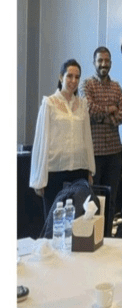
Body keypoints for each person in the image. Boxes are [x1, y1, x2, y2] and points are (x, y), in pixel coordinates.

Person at [30, 59, 95, 217]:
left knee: (78, 221)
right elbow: (41, 141)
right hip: (55, 172)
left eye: (77, 77)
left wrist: (90, 170)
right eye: (69, 76)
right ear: (61, 77)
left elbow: (87, 139)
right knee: (55, 223)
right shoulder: (49, 103)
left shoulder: (82, 104)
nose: (73, 81)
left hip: (79, 171)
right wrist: (39, 179)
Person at [80, 46, 122, 230]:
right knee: (91, 200)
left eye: (107, 61)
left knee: (111, 200)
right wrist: (109, 110)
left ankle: (107, 236)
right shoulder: (87, 85)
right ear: (94, 62)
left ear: (111, 63)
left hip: (114, 153)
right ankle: (92, 235)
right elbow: (88, 109)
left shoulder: (116, 87)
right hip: (93, 153)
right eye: (100, 60)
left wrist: (100, 118)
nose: (104, 64)